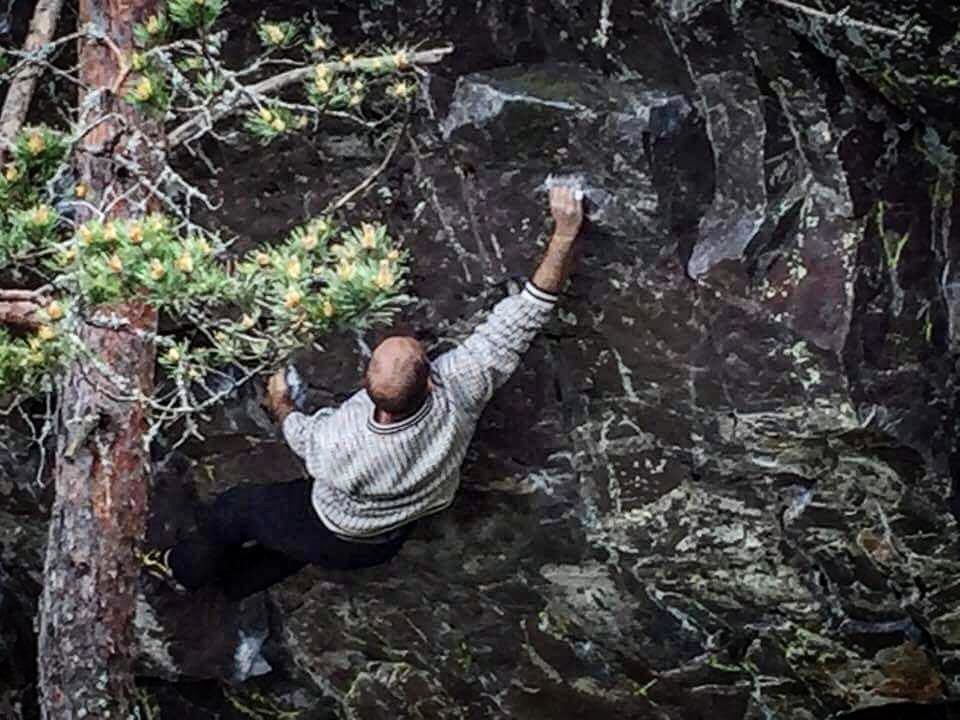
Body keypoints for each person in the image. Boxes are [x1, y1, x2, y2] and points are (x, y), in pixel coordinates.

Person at [140, 186, 585, 599]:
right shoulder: (460, 390)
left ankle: (180, 570)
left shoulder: (340, 440)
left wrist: (281, 401)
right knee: (288, 546)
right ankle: (233, 589)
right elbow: (526, 313)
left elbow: (298, 433)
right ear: (429, 379)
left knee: (237, 510)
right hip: (385, 537)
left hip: (332, 523)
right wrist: (565, 233)